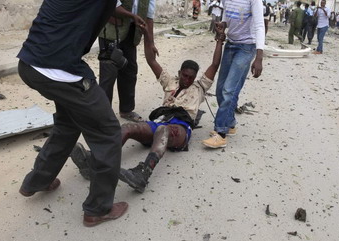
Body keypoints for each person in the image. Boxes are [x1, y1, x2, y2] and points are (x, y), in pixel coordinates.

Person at [16, 0, 287, 227]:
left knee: (66, 124)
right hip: (60, 68)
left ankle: (37, 180)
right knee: (105, 131)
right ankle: (97, 208)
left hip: (35, 63)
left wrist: (132, 18)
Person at [71, 25, 226, 193]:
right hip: (159, 121)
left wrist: (219, 40)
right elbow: (151, 60)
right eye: (185, 75)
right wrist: (147, 35)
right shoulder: (170, 81)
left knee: (163, 130)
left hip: (180, 128)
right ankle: (95, 162)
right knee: (128, 128)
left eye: (191, 77)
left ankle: (143, 174)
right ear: (179, 72)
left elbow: (215, 64)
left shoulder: (199, 87)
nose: (187, 80)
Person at [202, 0, 265, 148]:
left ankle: (220, 133)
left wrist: (259, 56)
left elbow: (260, 24)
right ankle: (229, 124)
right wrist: (223, 25)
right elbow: (227, 15)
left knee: (230, 89)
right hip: (231, 43)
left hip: (247, 47)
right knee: (221, 88)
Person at [98, 0, 155, 123]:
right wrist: (131, 15)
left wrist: (150, 42)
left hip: (131, 32)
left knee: (130, 70)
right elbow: (111, 3)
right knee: (108, 72)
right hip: (111, 32)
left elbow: (149, 15)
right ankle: (103, 115)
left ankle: (126, 110)